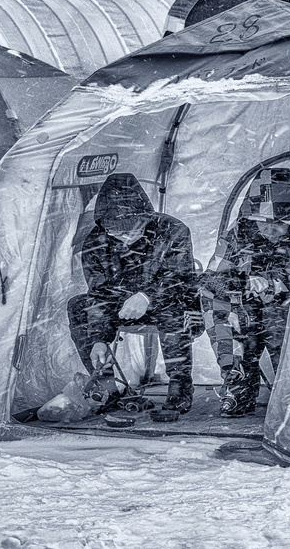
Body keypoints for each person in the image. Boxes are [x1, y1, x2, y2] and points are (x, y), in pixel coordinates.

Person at [67, 172, 197, 414]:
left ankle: (180, 386)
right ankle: (107, 389)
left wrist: (147, 297)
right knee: (78, 306)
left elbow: (181, 279)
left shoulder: (173, 230)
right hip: (122, 309)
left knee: (175, 309)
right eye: (117, 231)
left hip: (170, 302)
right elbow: (99, 294)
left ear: (145, 217)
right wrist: (98, 337)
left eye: (132, 228)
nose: (126, 237)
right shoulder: (96, 243)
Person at [199, 167, 290, 417]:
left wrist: (275, 284)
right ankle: (238, 384)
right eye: (264, 222)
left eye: (280, 224)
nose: (271, 230)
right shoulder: (238, 235)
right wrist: (242, 281)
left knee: (279, 319)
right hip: (247, 308)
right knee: (220, 309)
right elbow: (212, 278)